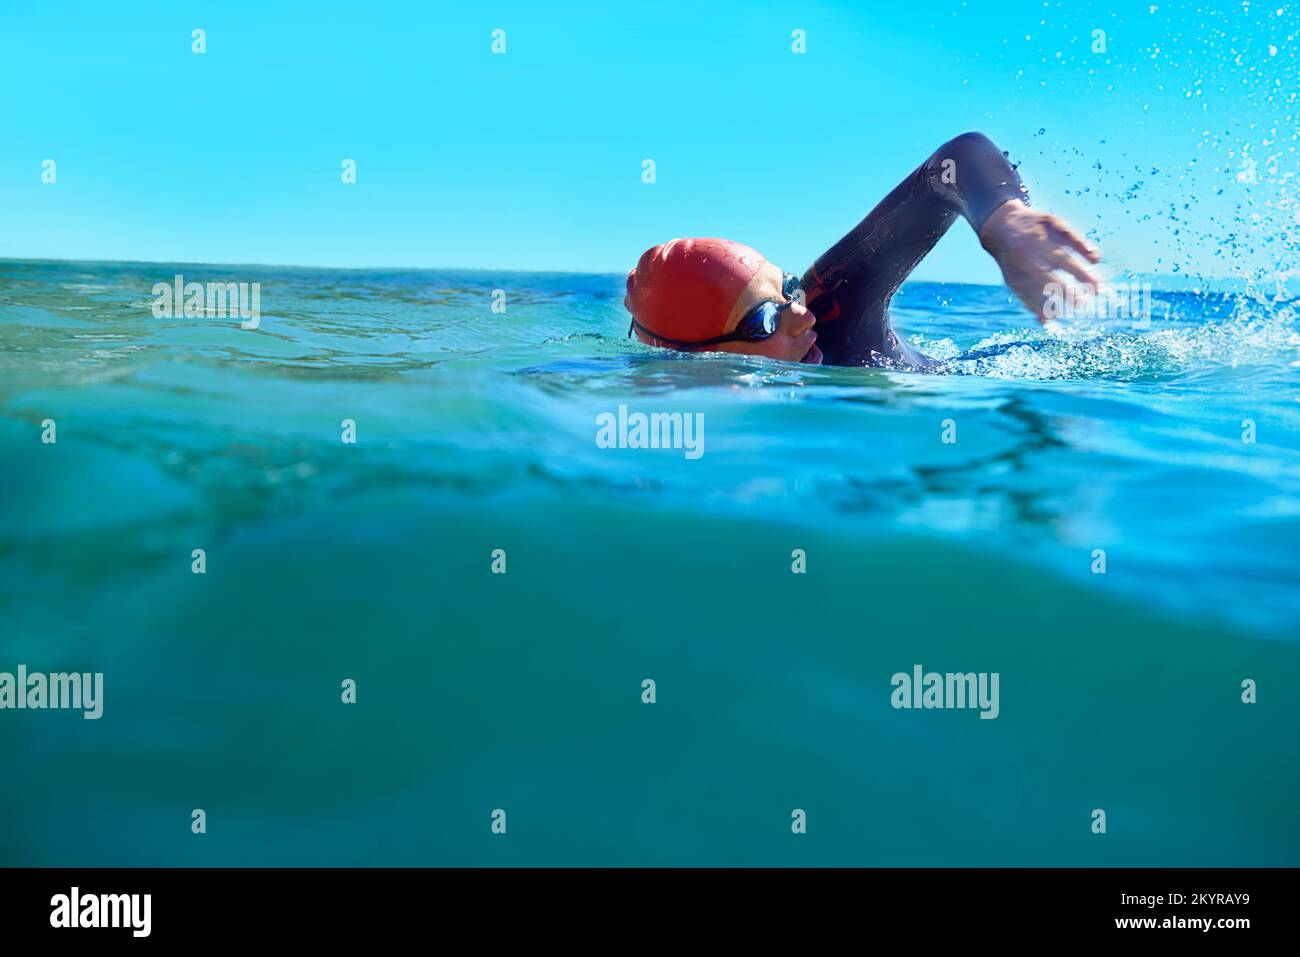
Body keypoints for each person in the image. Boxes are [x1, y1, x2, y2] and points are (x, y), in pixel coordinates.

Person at [623, 132, 1102, 371]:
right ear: (697, 358)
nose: (802, 314)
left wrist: (1004, 221)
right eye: (763, 320)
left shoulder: (832, 314)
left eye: (787, 290)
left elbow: (956, 158)